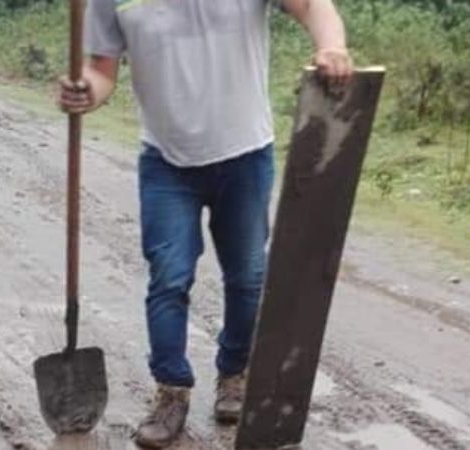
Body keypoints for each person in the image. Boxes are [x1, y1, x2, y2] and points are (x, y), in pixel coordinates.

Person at [59, 0, 353, 447]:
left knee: (247, 277)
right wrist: (86, 91)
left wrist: (331, 46)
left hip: (246, 155)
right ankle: (171, 391)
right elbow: (102, 70)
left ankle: (234, 375)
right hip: (165, 161)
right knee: (168, 277)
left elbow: (313, 7)